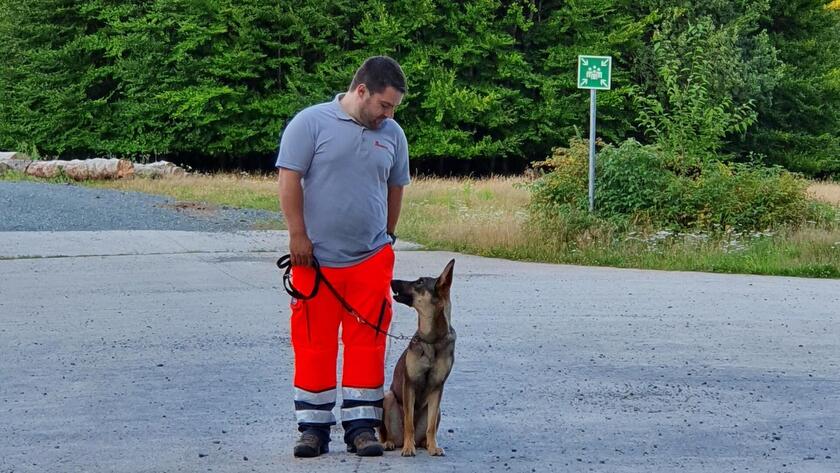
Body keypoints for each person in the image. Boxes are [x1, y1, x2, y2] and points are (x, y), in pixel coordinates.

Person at [275, 56, 410, 458]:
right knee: (313, 341)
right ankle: (313, 429)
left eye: (394, 109)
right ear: (361, 91)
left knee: (367, 342)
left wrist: (387, 236)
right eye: (384, 105)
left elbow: (396, 186)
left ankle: (361, 426)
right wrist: (298, 235)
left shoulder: (393, 134)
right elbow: (288, 179)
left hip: (370, 258)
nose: (388, 114)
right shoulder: (310, 123)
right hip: (314, 261)